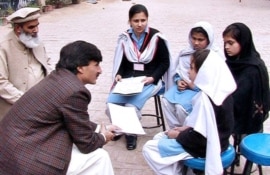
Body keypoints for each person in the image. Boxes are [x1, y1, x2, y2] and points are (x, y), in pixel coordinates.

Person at [0, 41, 119, 175]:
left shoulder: (58, 77)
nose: (100, 70)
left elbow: (73, 118)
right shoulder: (75, 91)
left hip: (11, 148)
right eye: (96, 65)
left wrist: (99, 128)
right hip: (26, 158)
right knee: (99, 158)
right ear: (80, 67)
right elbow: (87, 144)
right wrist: (103, 137)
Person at [142, 49, 236, 175]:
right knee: (161, 136)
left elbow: (200, 139)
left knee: (149, 148)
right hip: (221, 142)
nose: (188, 71)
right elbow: (205, 127)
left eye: (192, 68)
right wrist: (184, 129)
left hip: (204, 148)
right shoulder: (221, 91)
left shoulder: (206, 100)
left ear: (203, 72)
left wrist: (178, 135)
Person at [105, 4, 170, 150]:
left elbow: (165, 62)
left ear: (147, 19)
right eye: (136, 21)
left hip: (149, 80)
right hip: (129, 80)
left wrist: (153, 78)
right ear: (129, 21)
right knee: (111, 104)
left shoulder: (156, 37)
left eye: (143, 20)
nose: (140, 24)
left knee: (130, 106)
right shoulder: (125, 38)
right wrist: (119, 74)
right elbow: (121, 60)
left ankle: (131, 134)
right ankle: (120, 128)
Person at [162, 21, 223, 129]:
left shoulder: (215, 56)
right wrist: (178, 80)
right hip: (183, 88)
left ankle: (187, 130)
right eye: (194, 38)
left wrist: (193, 85)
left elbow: (215, 81)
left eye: (200, 40)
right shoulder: (186, 53)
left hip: (201, 92)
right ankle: (174, 128)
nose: (196, 43)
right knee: (166, 101)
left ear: (209, 40)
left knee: (180, 107)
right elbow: (178, 71)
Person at [0, 7, 52, 120]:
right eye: (31, 27)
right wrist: (25, 101)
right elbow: (1, 82)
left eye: (37, 25)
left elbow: (47, 63)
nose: (36, 30)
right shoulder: (3, 47)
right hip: (16, 109)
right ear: (18, 28)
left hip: (43, 103)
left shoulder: (36, 40)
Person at [223, 23, 270, 135]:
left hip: (249, 121)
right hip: (231, 116)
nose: (226, 47)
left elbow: (259, 99)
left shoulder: (254, 68)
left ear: (243, 42)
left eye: (231, 43)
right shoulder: (229, 64)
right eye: (225, 43)